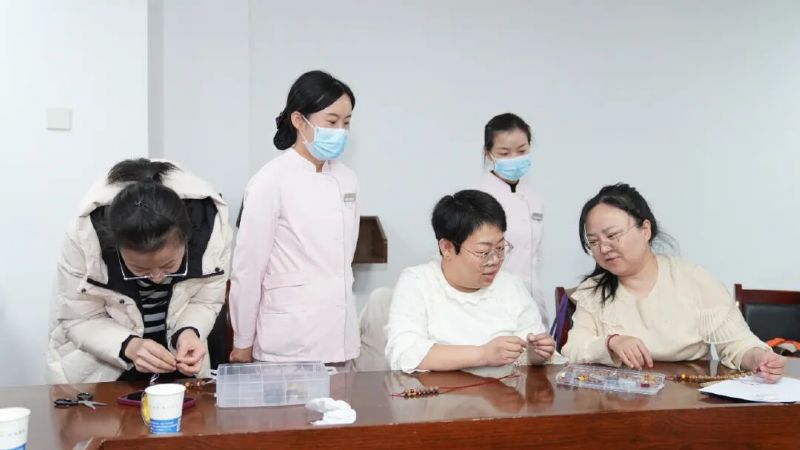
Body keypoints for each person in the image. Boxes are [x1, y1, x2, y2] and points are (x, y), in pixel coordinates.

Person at [561, 183, 785, 382]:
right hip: (619, 401)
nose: (603, 248)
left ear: (645, 230)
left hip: (688, 398)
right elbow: (572, 350)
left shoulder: (695, 280)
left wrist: (760, 359)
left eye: (612, 235)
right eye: (593, 242)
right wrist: (611, 343)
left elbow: (737, 344)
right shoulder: (593, 292)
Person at [47, 159, 232, 383]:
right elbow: (79, 319)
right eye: (140, 269)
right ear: (115, 247)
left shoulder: (211, 233)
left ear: (187, 239)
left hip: (179, 366)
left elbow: (206, 301)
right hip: (102, 371)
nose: (157, 278)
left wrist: (189, 332)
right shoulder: (86, 238)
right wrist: (130, 346)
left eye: (168, 265)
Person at [229, 70, 359, 367]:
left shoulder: (348, 179)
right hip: (288, 340)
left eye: (347, 122)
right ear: (299, 120)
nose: (340, 131)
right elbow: (248, 270)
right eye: (332, 122)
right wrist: (242, 341)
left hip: (339, 336)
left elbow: (345, 257)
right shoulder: (269, 181)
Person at [385, 190, 557, 373]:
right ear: (447, 248)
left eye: (500, 248)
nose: (495, 260)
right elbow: (404, 352)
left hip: (502, 390)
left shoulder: (511, 286)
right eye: (483, 252)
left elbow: (529, 349)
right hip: (437, 391)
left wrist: (535, 355)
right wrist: (483, 354)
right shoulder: (418, 282)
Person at [476, 113, 546, 326]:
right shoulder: (478, 197)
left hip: (531, 300)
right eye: (504, 153)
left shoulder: (534, 197)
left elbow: (534, 258)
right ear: (488, 153)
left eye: (522, 151)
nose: (514, 158)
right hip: (491, 303)